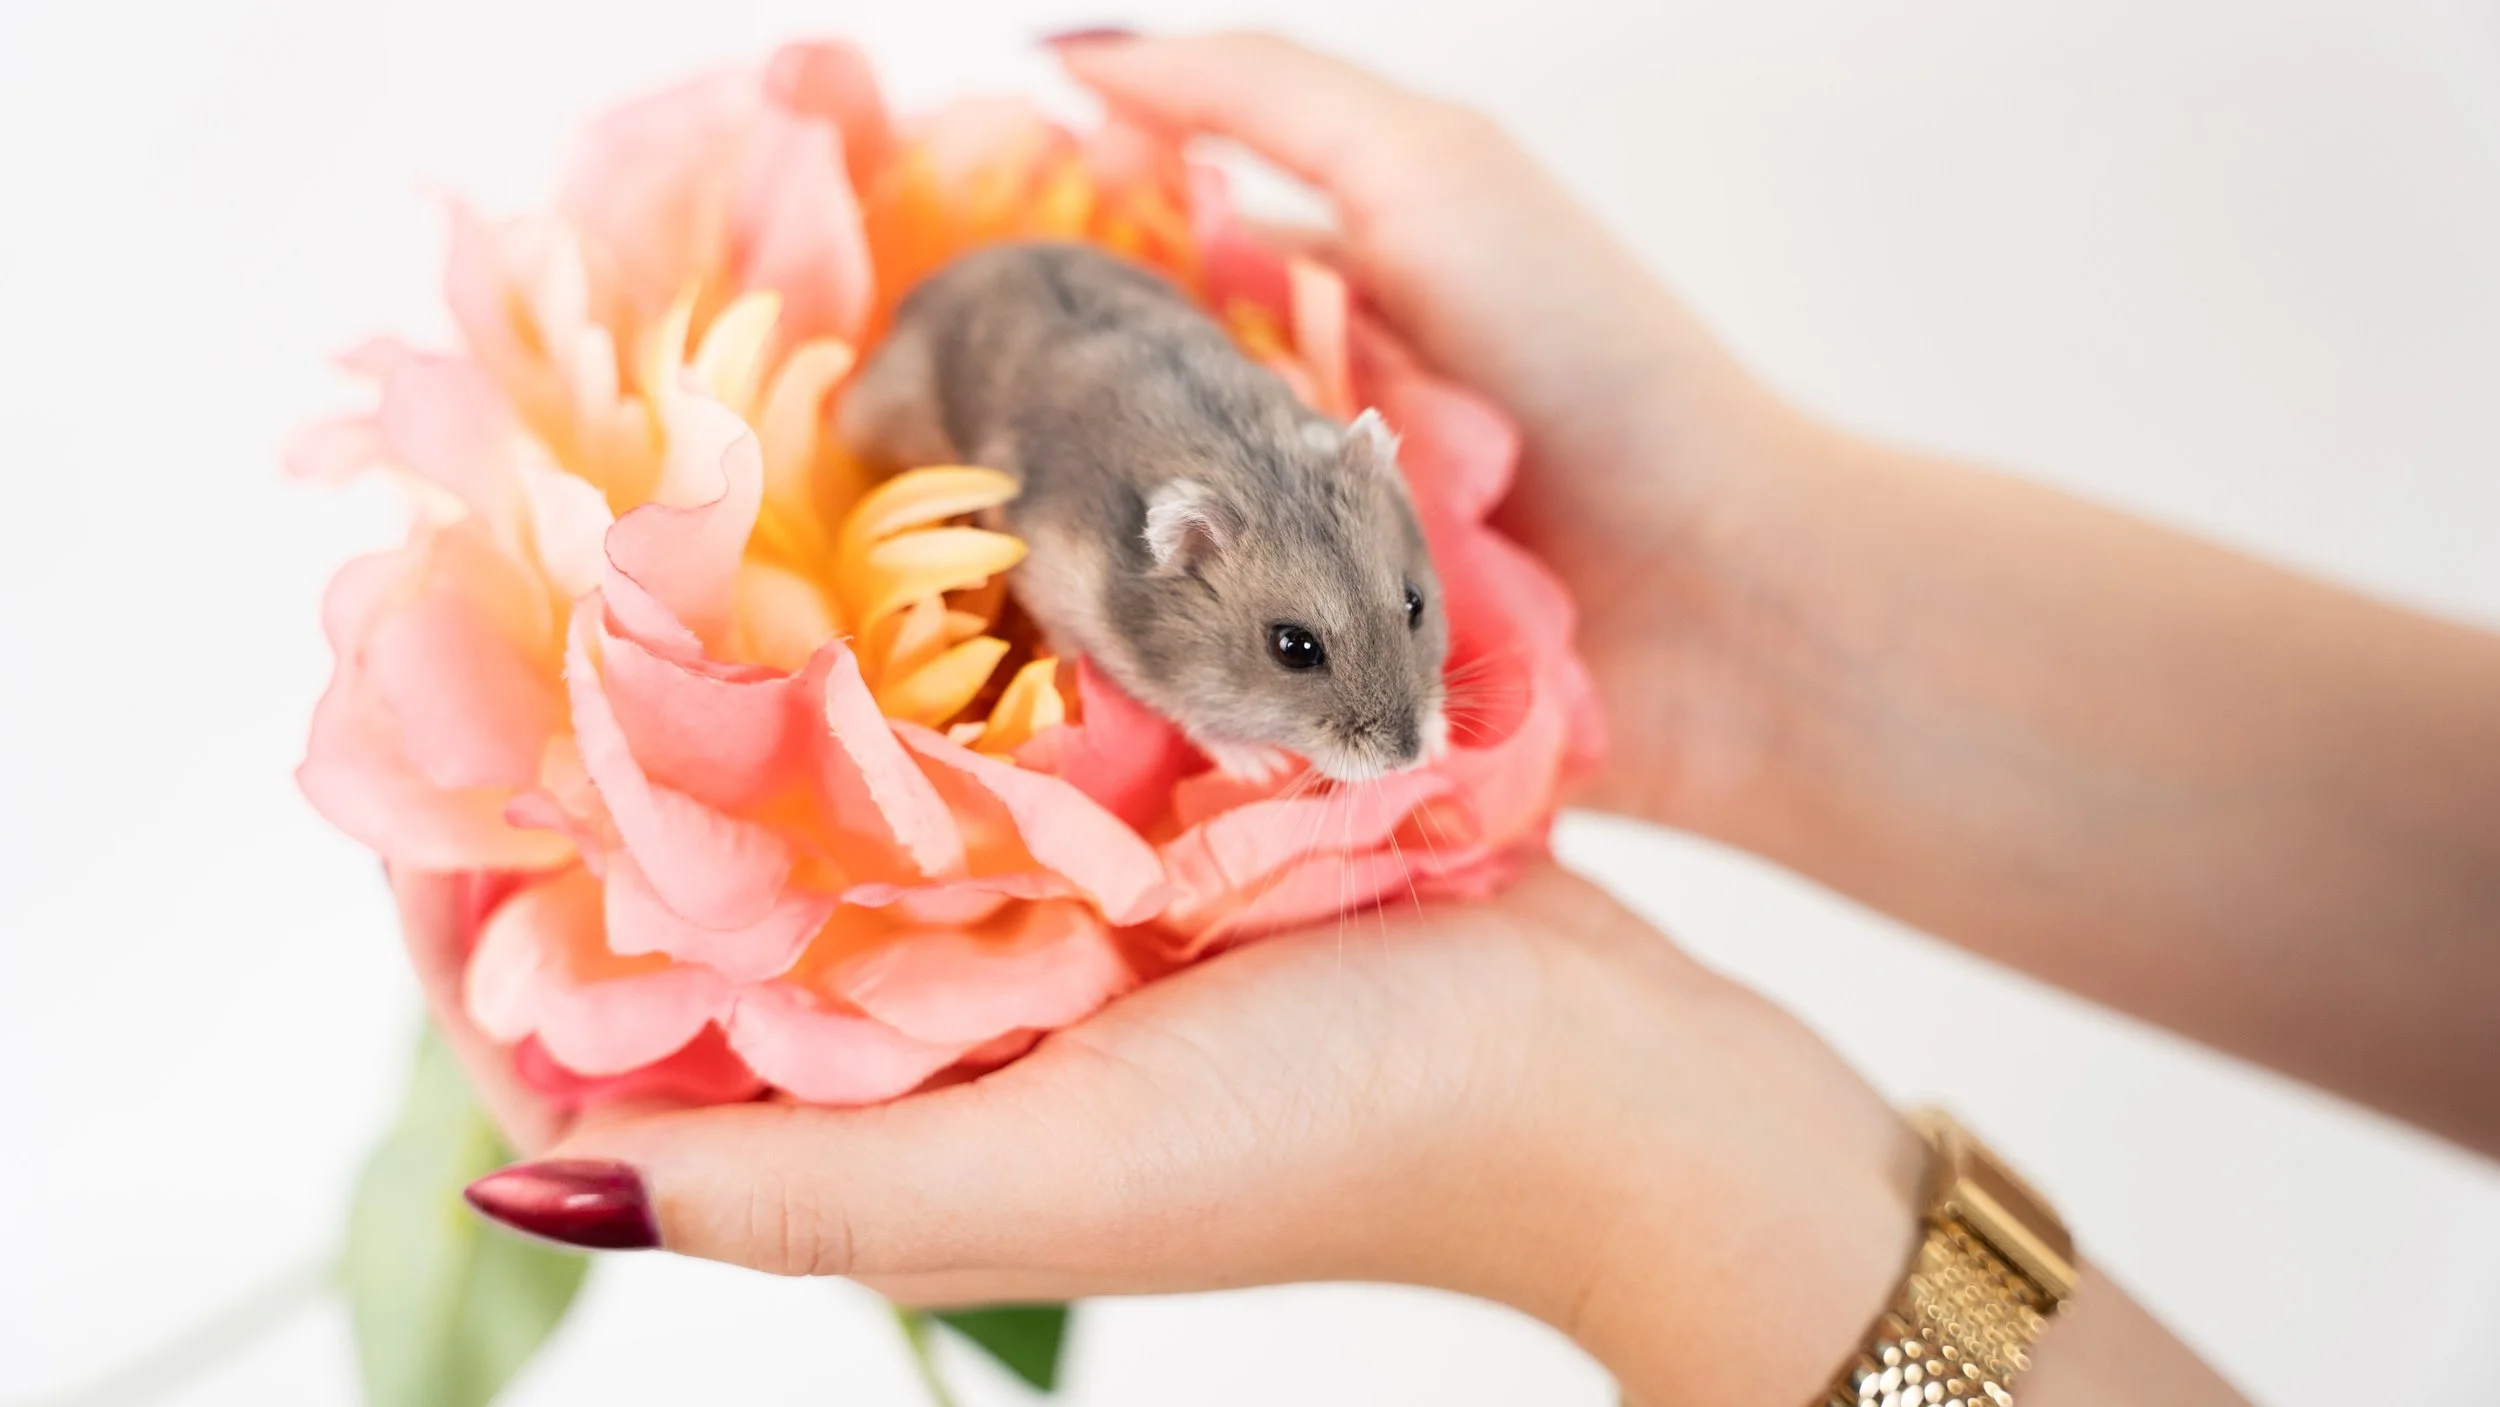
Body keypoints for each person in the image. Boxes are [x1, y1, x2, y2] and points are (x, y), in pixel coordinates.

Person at [417, 31, 2500, 1405]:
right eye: (1321, 662)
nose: (1400, 709)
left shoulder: (1305, 516)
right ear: (1188, 554)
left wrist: (1639, 1164)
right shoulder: (1124, 538)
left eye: (1399, 619)